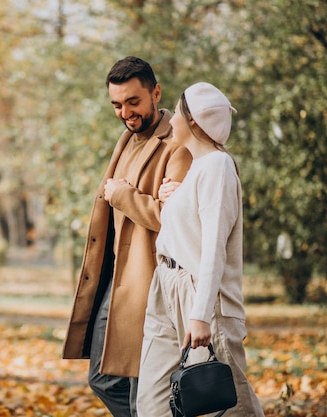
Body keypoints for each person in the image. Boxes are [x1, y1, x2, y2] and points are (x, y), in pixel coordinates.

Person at [62, 56, 192, 417]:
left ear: (156, 93)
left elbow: (175, 218)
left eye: (133, 102)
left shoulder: (177, 144)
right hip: (114, 279)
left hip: (147, 283)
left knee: (141, 388)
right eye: (117, 105)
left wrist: (122, 195)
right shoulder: (126, 139)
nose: (125, 112)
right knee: (103, 379)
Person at [136, 82, 265, 416]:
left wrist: (201, 315)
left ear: (193, 121)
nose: (172, 120)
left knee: (227, 405)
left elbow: (213, 248)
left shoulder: (218, 167)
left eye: (178, 113)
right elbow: (189, 224)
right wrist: (173, 197)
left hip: (200, 296)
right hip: (166, 285)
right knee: (152, 404)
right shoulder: (198, 168)